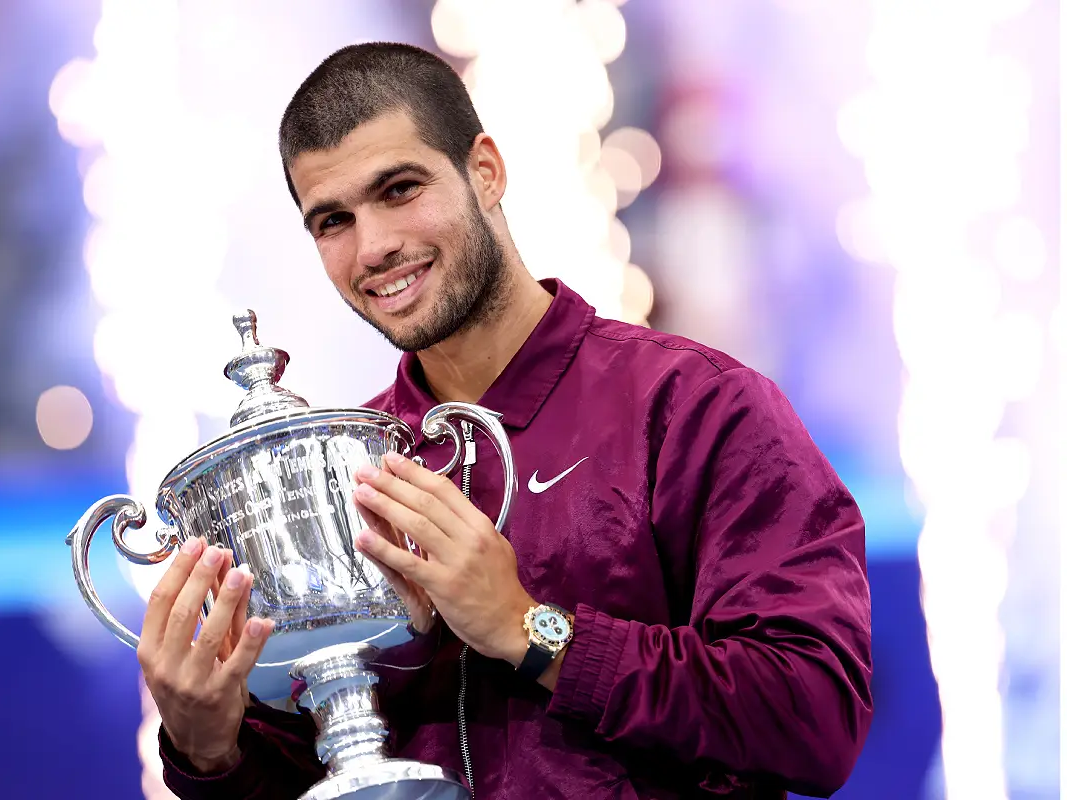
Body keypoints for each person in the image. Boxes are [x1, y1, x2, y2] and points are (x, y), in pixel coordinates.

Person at [135, 42, 873, 799]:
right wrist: (209, 752)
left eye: (399, 189)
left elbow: (815, 714)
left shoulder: (695, 405)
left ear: (484, 170)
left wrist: (531, 630)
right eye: (333, 220)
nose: (374, 247)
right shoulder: (342, 470)